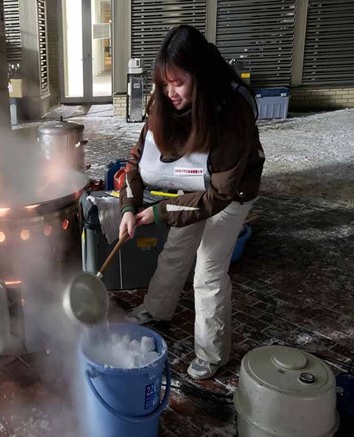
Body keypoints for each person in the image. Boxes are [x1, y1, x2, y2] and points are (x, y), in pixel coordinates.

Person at [119, 25, 265, 380]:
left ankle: (212, 352)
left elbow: (218, 195)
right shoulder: (162, 102)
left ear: (199, 76)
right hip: (192, 189)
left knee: (208, 269)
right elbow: (136, 162)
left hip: (230, 193)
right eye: (164, 83)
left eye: (179, 83)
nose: (170, 93)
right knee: (175, 250)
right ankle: (157, 310)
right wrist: (128, 206)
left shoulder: (232, 112)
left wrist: (158, 211)